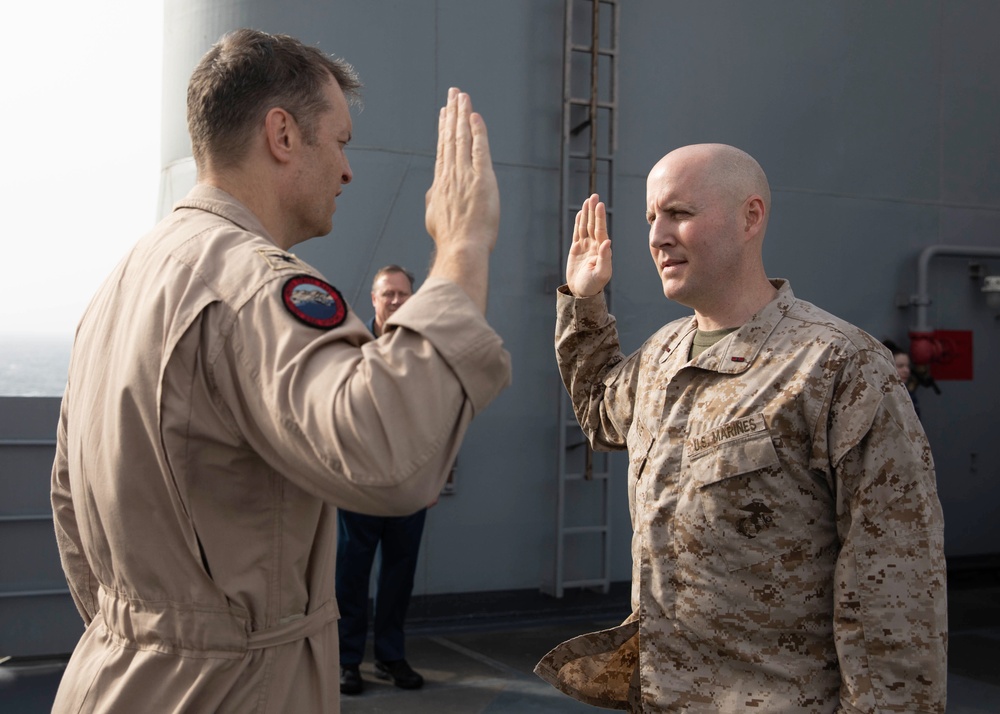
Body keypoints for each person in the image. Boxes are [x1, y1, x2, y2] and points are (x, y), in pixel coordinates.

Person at [50, 28, 510, 714]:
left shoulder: (125, 280)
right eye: (341, 140)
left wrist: (155, 636)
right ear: (283, 135)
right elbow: (389, 457)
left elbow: (69, 504)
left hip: (115, 678)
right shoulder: (250, 284)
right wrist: (464, 246)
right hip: (227, 691)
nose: (348, 170)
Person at [535, 144, 947, 712]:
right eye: (651, 218)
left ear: (750, 217)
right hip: (662, 696)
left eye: (678, 213)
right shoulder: (662, 355)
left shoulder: (836, 366)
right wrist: (584, 302)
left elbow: (895, 582)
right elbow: (602, 414)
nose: (657, 236)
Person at [337, 264, 429, 694]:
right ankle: (346, 660)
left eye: (402, 294)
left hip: (408, 487)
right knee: (350, 576)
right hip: (358, 486)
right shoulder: (348, 346)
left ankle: (391, 656)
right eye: (387, 294)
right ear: (373, 299)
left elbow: (439, 419)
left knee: (398, 576)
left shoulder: (425, 351)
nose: (395, 300)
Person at [883, 338, 922, 419]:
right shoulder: (881, 397)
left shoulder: (909, 396)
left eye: (908, 366)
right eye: (900, 366)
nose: (906, 370)